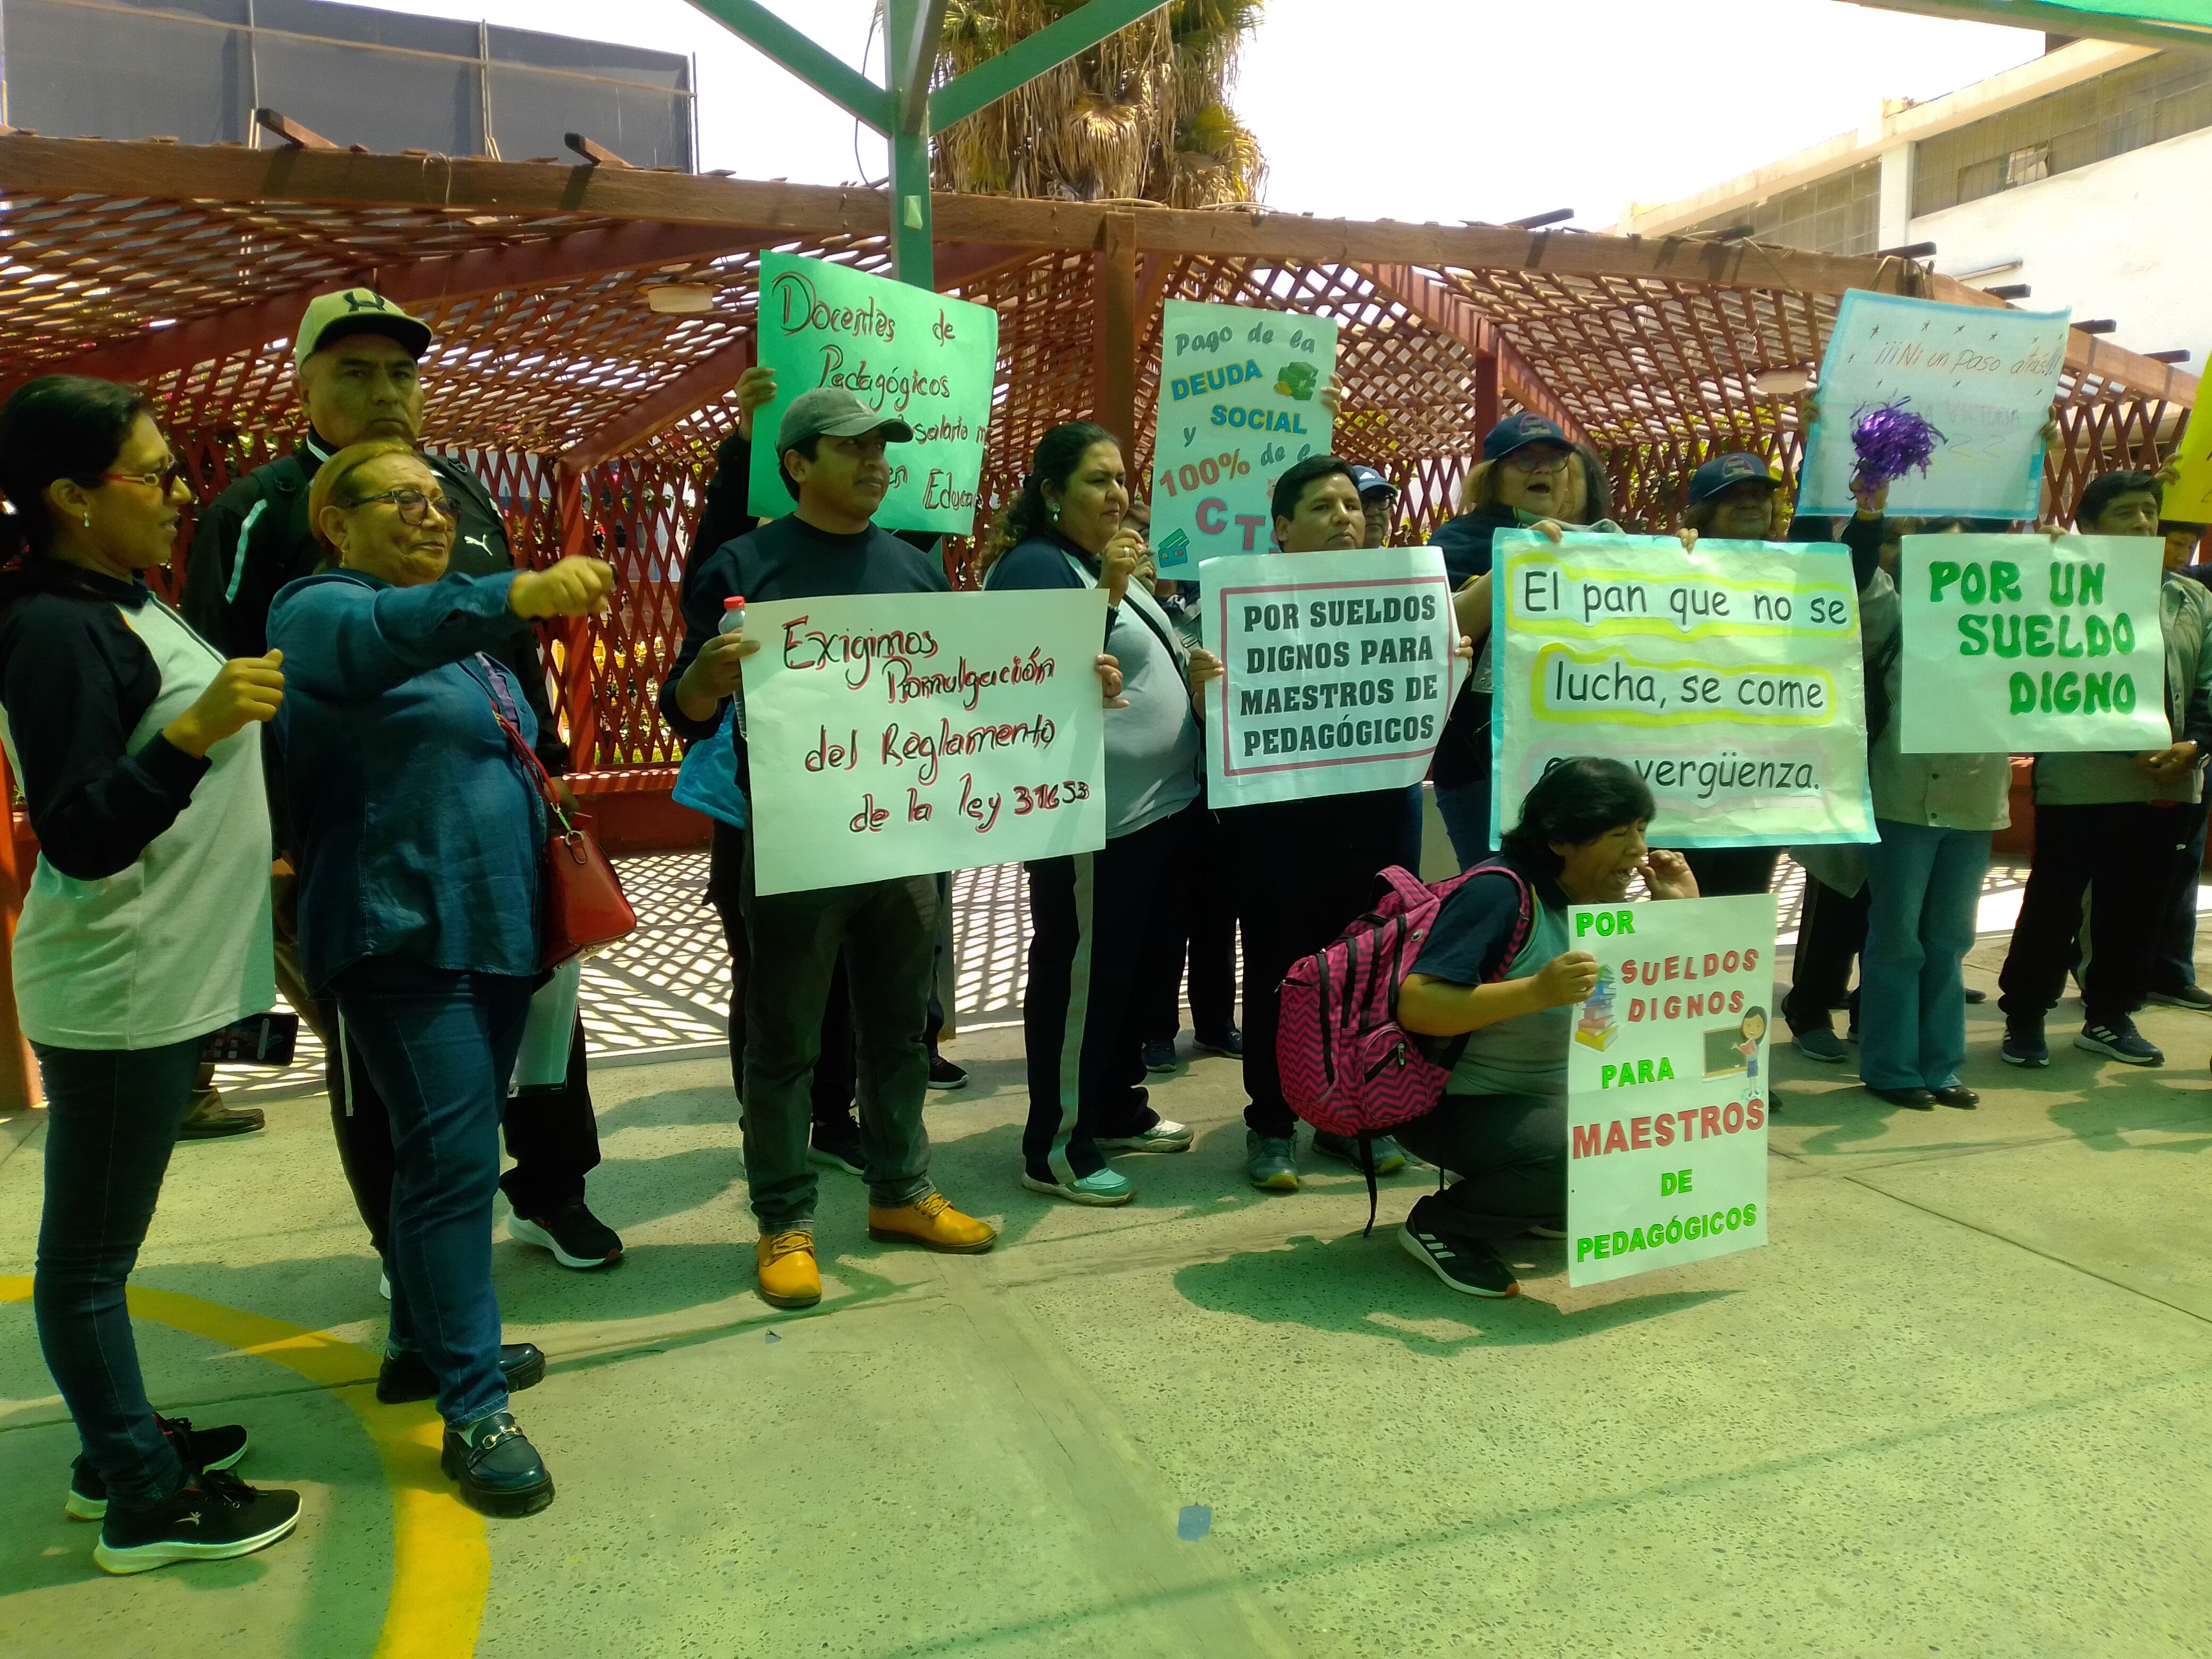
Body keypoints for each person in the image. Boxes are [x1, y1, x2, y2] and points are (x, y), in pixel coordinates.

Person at [182, 287, 622, 1275]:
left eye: (401, 373)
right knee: (383, 1056)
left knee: (546, 1017)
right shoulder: (259, 511)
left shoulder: (456, 488)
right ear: (304, 387)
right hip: (357, 851)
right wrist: (271, 844)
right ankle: (403, 1242)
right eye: (356, 373)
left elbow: (509, 645)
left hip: (502, 825)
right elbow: (227, 678)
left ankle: (552, 1192)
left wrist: (549, 775)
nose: (387, 392)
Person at [663, 388, 1084, 1307]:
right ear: (797, 464)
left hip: (905, 839)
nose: (874, 462)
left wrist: (1068, 688)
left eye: (880, 447)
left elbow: (962, 694)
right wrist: (707, 678)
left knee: (899, 1032)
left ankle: (900, 1190)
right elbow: (683, 708)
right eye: (851, 447)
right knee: (785, 1041)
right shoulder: (745, 565)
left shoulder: (916, 569)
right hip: (796, 844)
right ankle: (784, 1219)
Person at [270, 438, 615, 1515]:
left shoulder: (469, 650)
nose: (432, 517)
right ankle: (473, 1411)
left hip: (493, 932)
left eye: (439, 502)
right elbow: (384, 636)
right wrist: (516, 591)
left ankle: (423, 1348)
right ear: (337, 522)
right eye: (402, 501)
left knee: (440, 1163)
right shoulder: (316, 611)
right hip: (404, 936)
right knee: (456, 1167)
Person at [0, 375, 302, 1572]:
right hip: (120, 986)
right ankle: (141, 1498)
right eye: (158, 473)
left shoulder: (120, 601)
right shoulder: (53, 627)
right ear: (74, 497)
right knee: (86, 1267)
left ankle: (113, 1445)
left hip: (160, 976)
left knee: (98, 1255)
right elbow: (78, 833)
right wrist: (194, 732)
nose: (183, 493)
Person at [980, 422, 1222, 1204]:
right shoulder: (1035, 566)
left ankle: (1115, 1107)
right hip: (1094, 823)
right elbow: (1027, 676)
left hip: (1157, 812)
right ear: (1051, 492)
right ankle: (1056, 1147)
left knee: (1131, 976)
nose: (1117, 494)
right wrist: (1110, 592)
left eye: (1121, 478)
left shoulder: (1095, 561)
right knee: (1081, 980)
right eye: (1097, 480)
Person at [1220, 455, 1464, 1191]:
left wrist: (1447, 666)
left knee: (1371, 969)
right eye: (1323, 507)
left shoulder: (1405, 596)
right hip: (1280, 823)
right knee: (1281, 972)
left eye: (1352, 507)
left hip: (1381, 812)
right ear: (1283, 528)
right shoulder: (1241, 602)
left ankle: (1351, 1118)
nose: (1344, 518)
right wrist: (1209, 687)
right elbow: (1223, 714)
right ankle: (1271, 1125)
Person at [1395, 757, 1699, 1296]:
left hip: (1548, 1097)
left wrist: (1682, 915)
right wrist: (1537, 991)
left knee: (1677, 1120)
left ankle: (1530, 1199)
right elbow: (1417, 1005)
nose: (1638, 850)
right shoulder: (1499, 895)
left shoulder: (1597, 899)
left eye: (1641, 829)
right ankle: (1444, 1226)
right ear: (1560, 840)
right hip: (1454, 1106)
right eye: (1617, 834)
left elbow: (1645, 1015)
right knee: (1587, 1148)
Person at [1999, 470, 2212, 1069]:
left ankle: (2110, 1016)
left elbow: (2207, 685)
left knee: (2138, 909)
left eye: (2149, 511)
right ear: (2088, 526)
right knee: (2054, 905)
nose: (2143, 523)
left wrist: (2194, 745)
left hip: (2169, 782)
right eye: (2125, 512)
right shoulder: (2056, 589)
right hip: (2080, 782)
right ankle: (2025, 1016)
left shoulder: (2190, 599)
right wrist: (2128, 749)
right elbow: (2047, 683)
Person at [1428, 416, 1619, 871]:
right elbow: (1446, 629)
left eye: (1555, 460)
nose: (1543, 469)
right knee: (1508, 898)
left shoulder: (1599, 542)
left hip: (1577, 763)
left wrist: (1681, 557)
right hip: (1483, 772)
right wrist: (1517, 558)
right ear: (1491, 476)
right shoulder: (1458, 539)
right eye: (1525, 460)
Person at [1674, 453, 1793, 901]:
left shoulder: (1798, 571)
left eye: (1760, 494)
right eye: (1733, 496)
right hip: (1683, 779)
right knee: (1686, 900)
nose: (1750, 503)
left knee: (1748, 899)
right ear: (1705, 512)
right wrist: (1672, 560)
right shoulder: (1673, 563)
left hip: (1759, 777)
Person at [1348, 464, 1400, 548]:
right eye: (1363, 502)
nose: (1373, 512)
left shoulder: (1396, 557)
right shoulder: (1329, 556)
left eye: (1381, 500)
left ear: (1391, 511)